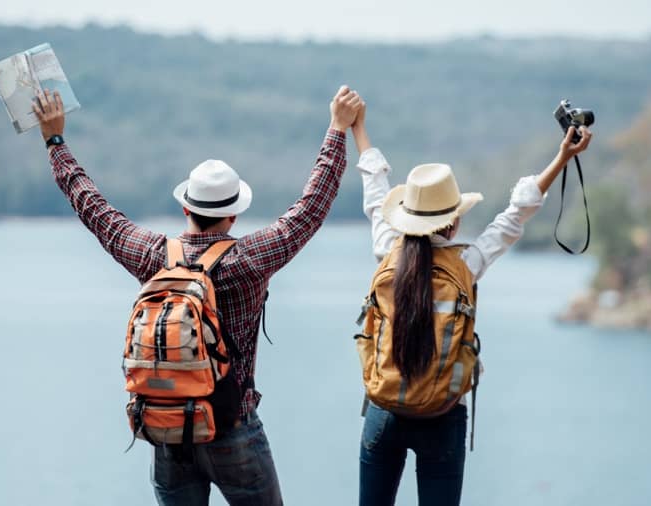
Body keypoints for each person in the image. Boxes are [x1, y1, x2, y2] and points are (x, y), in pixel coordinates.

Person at [32, 85, 363, 505]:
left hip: (169, 431)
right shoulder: (248, 260)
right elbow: (311, 207)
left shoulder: (154, 257)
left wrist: (55, 140)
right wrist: (337, 128)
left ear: (186, 209)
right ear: (233, 213)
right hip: (233, 430)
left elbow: (95, 210)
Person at [351, 104, 592, 506]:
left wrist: (357, 129)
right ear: (454, 221)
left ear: (407, 217)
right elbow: (516, 215)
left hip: (384, 408)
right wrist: (564, 157)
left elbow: (375, 193)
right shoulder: (466, 263)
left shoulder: (386, 250)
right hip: (442, 415)